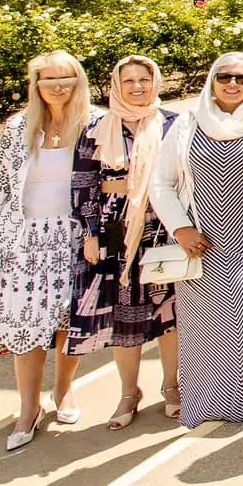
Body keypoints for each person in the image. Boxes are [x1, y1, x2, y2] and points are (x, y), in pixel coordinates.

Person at [151, 54, 243, 428]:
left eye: (242, 79)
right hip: (201, 243)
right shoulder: (187, 122)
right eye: (224, 77)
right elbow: (161, 183)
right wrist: (181, 228)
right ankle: (210, 404)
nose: (233, 84)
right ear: (212, 80)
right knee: (206, 329)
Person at [0, 52, 99, 448]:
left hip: (74, 235)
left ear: (77, 80)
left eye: (65, 79)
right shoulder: (17, 128)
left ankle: (63, 389)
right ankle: (28, 407)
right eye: (48, 80)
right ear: (36, 85)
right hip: (23, 239)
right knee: (24, 324)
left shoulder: (93, 123)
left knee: (68, 320)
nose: (57, 87)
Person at [68, 56, 180, 430]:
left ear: (155, 82)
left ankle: (173, 386)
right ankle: (129, 392)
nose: (137, 87)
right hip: (114, 227)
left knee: (169, 311)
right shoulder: (98, 126)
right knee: (125, 315)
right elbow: (83, 181)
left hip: (163, 224)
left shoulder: (172, 124)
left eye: (144, 79)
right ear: (116, 84)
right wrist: (90, 231)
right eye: (128, 80)